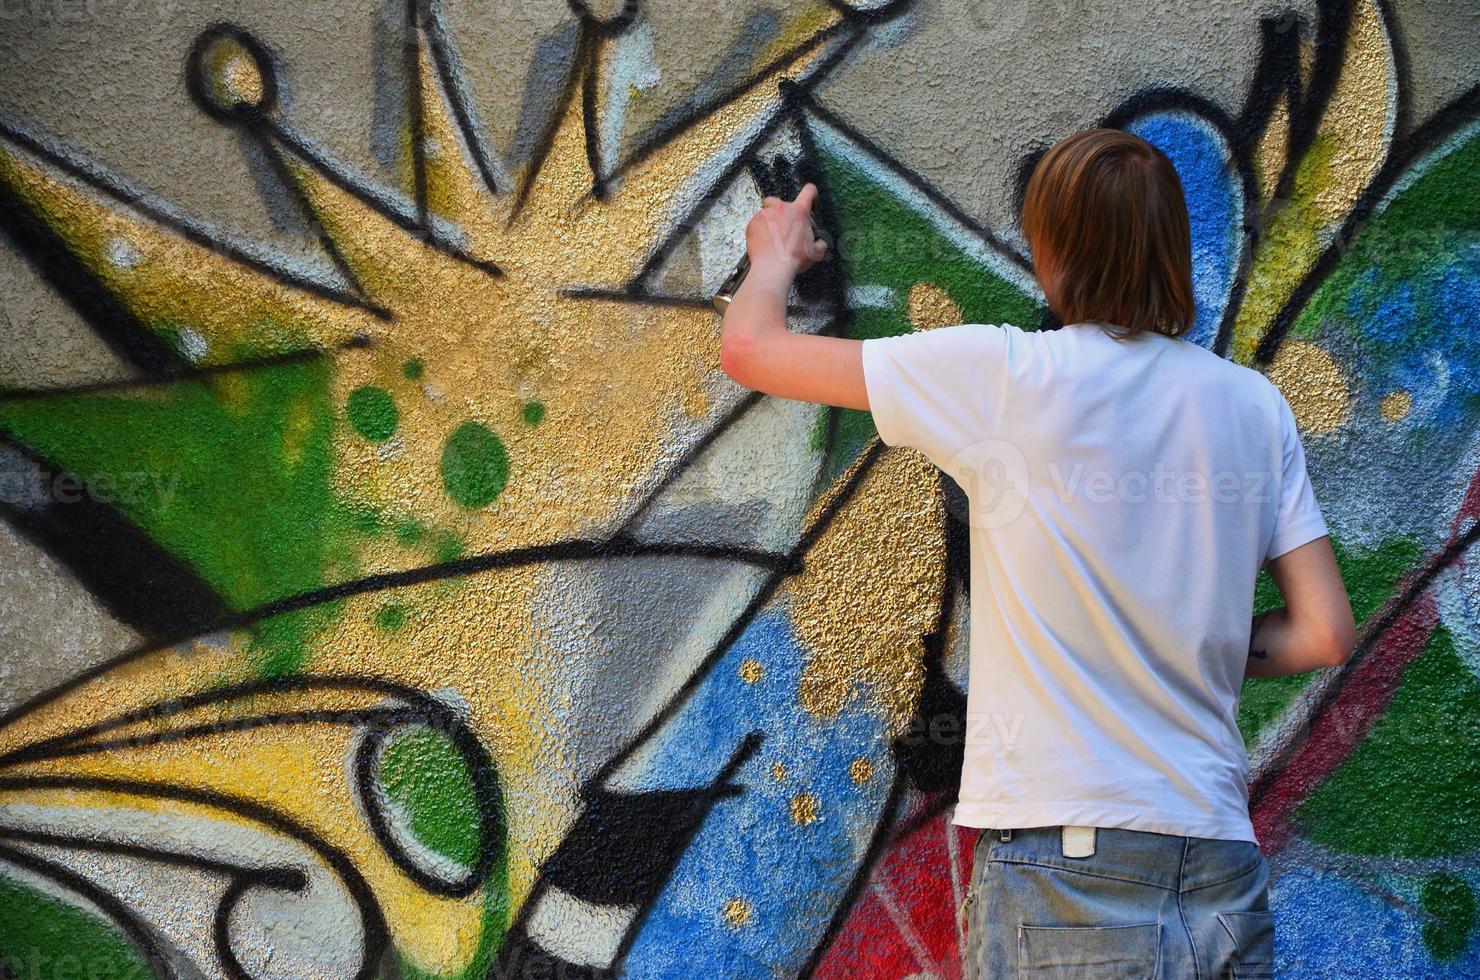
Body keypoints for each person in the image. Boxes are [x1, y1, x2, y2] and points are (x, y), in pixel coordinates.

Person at [718, 128, 1356, 978]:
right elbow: (1322, 635)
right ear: (1171, 250)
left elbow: (752, 351)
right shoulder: (1251, 407)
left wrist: (775, 255)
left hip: (1069, 865)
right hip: (1217, 862)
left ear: (1050, 248)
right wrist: (1174, 651)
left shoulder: (1003, 374)